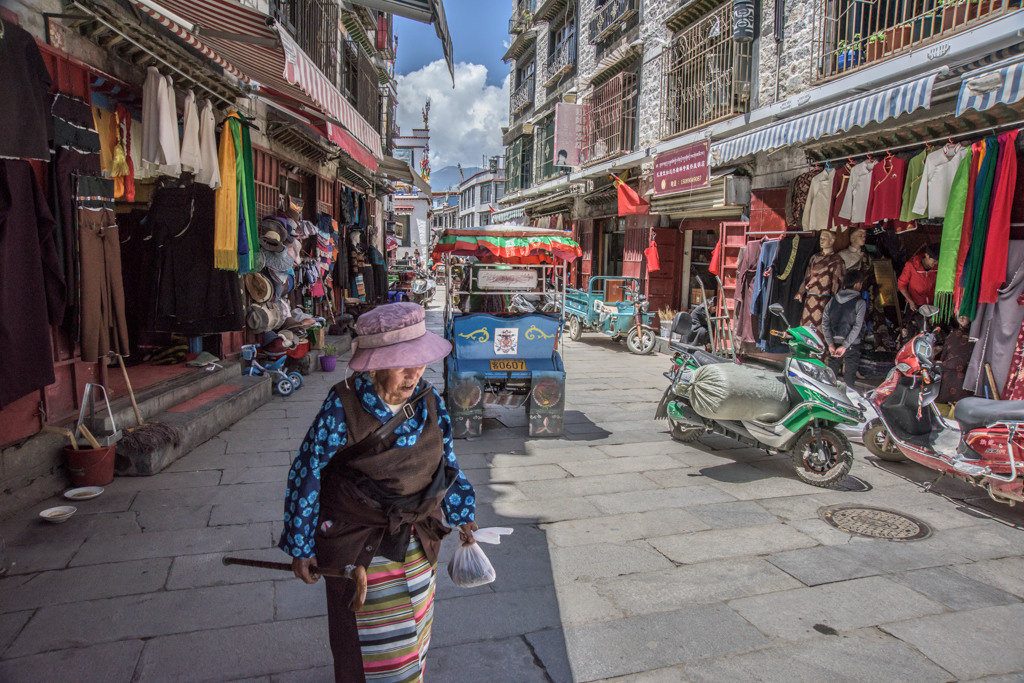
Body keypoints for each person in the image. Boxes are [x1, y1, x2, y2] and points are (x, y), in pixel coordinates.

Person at [279, 302, 477, 682]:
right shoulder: (342, 407)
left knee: (416, 635)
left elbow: (447, 463)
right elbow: (307, 473)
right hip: (359, 548)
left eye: (419, 362)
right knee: (374, 649)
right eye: (402, 364)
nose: (414, 373)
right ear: (374, 366)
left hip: (418, 544)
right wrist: (301, 547)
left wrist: (463, 513)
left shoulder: (429, 401)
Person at [822, 270, 867, 387]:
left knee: (831, 377)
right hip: (852, 344)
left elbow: (825, 323)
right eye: (861, 284)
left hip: (834, 343)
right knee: (849, 379)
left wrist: (830, 344)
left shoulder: (832, 300)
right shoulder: (860, 302)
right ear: (857, 284)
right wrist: (845, 345)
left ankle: (829, 396)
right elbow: (857, 326)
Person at [897, 243, 939, 313]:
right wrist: (910, 301)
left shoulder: (937, 268)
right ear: (927, 255)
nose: (936, 263)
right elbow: (901, 285)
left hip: (932, 305)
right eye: (934, 261)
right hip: (915, 305)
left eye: (938, 261)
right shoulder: (911, 265)